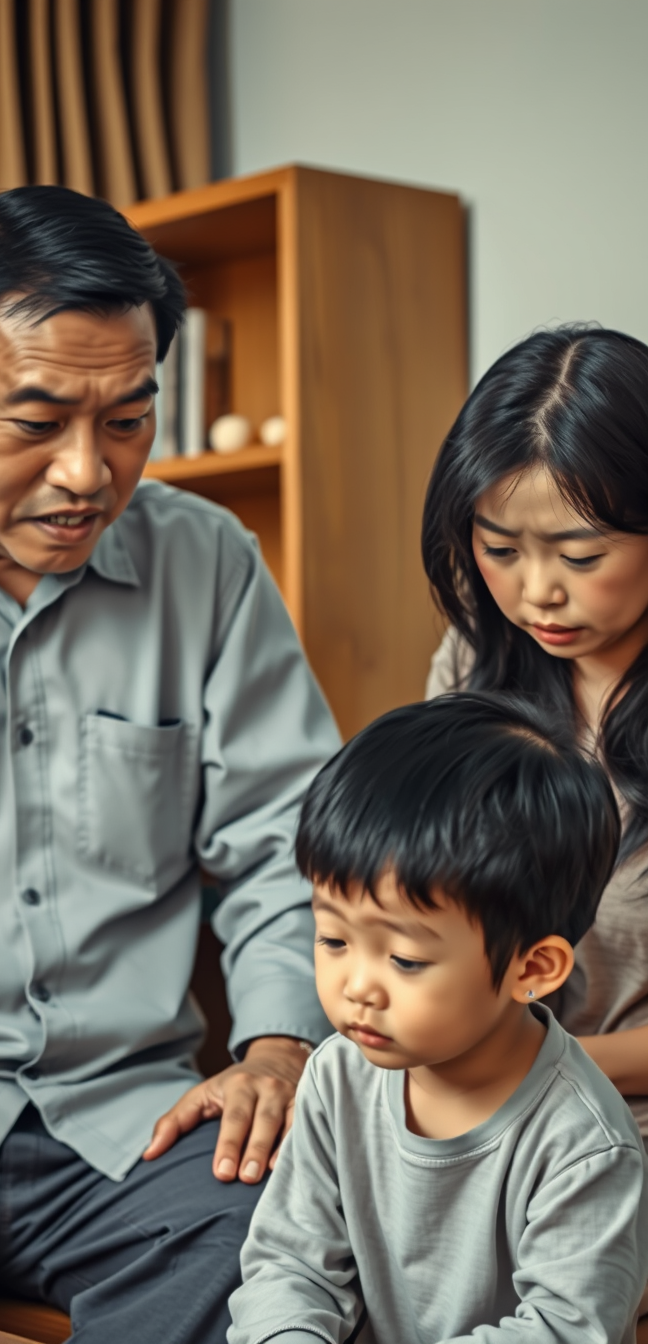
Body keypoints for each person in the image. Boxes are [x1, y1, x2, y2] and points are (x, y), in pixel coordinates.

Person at [0, 185, 340, 1343]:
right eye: (37, 421)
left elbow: (292, 848)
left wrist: (278, 1052)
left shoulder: (209, 563)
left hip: (136, 1123)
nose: (89, 472)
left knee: (298, 1251)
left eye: (129, 419)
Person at [227, 693, 648, 1344]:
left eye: (404, 958)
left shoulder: (585, 1145)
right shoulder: (337, 1077)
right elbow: (291, 1263)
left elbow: (565, 1330)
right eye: (334, 940)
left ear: (532, 969)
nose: (356, 987)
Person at [421, 327, 648, 1152]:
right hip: (480, 1105)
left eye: (581, 556)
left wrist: (534, 1065)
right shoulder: (474, 665)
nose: (537, 592)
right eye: (501, 549)